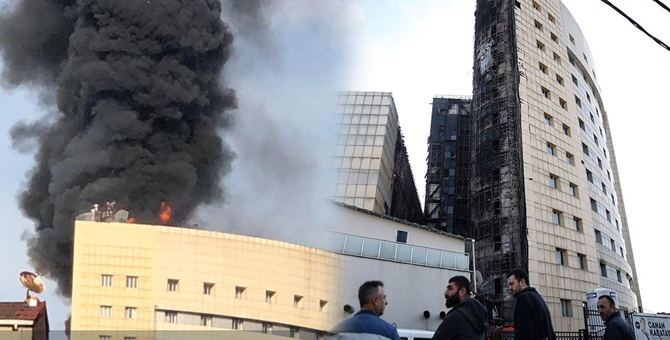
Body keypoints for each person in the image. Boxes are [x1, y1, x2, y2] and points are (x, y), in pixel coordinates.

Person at [330, 280, 401, 340]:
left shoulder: (336, 331)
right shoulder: (389, 332)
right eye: (384, 298)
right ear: (375, 300)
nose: (386, 302)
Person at [431, 275, 488, 340]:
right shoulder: (480, 317)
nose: (445, 293)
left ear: (462, 291)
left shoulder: (456, 317)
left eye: (450, 289)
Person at [507, 269, 556, 340]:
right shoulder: (539, 298)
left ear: (522, 282)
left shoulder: (523, 298)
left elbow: (524, 333)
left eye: (512, 284)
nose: (509, 288)